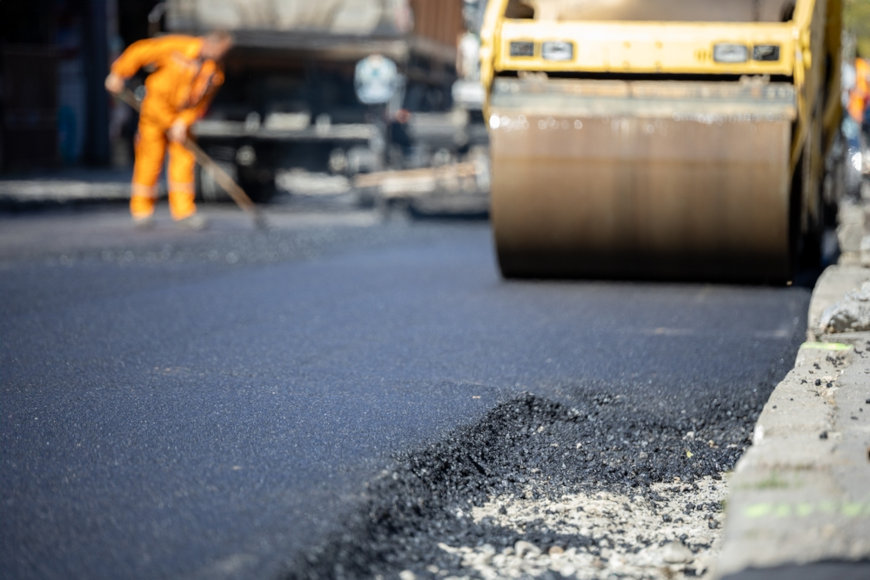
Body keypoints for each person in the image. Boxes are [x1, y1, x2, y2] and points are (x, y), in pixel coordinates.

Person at [104, 31, 233, 229]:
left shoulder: (214, 72)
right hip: (154, 115)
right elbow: (140, 51)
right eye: (219, 51)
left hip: (179, 122)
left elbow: (201, 104)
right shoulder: (177, 48)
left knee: (183, 162)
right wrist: (118, 73)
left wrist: (183, 122)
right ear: (209, 44)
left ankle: (184, 211)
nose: (220, 56)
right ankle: (142, 211)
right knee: (149, 160)